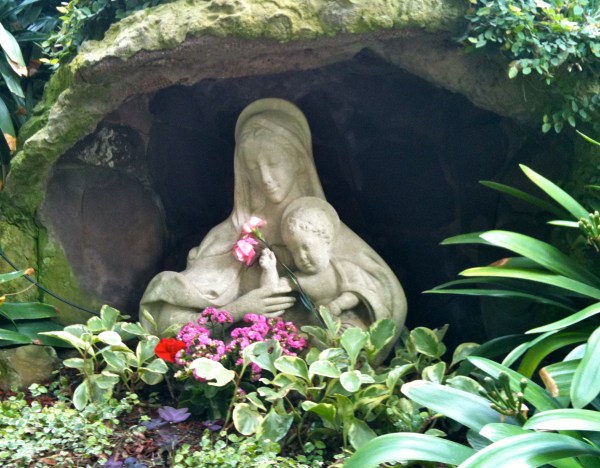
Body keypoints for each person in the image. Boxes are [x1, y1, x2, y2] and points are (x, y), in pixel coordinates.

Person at [140, 98, 407, 340]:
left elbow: (387, 302)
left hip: (307, 349)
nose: (265, 178)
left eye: (274, 163)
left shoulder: (321, 225)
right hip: (244, 353)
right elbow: (164, 318)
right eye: (253, 168)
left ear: (298, 161)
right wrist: (238, 310)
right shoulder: (232, 235)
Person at [259, 197, 367, 330]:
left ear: (326, 241)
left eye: (306, 247)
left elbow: (357, 292)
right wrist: (269, 269)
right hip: (318, 328)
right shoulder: (298, 279)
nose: (301, 256)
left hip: (346, 321)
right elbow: (272, 291)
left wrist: (337, 306)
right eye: (294, 251)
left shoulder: (343, 269)